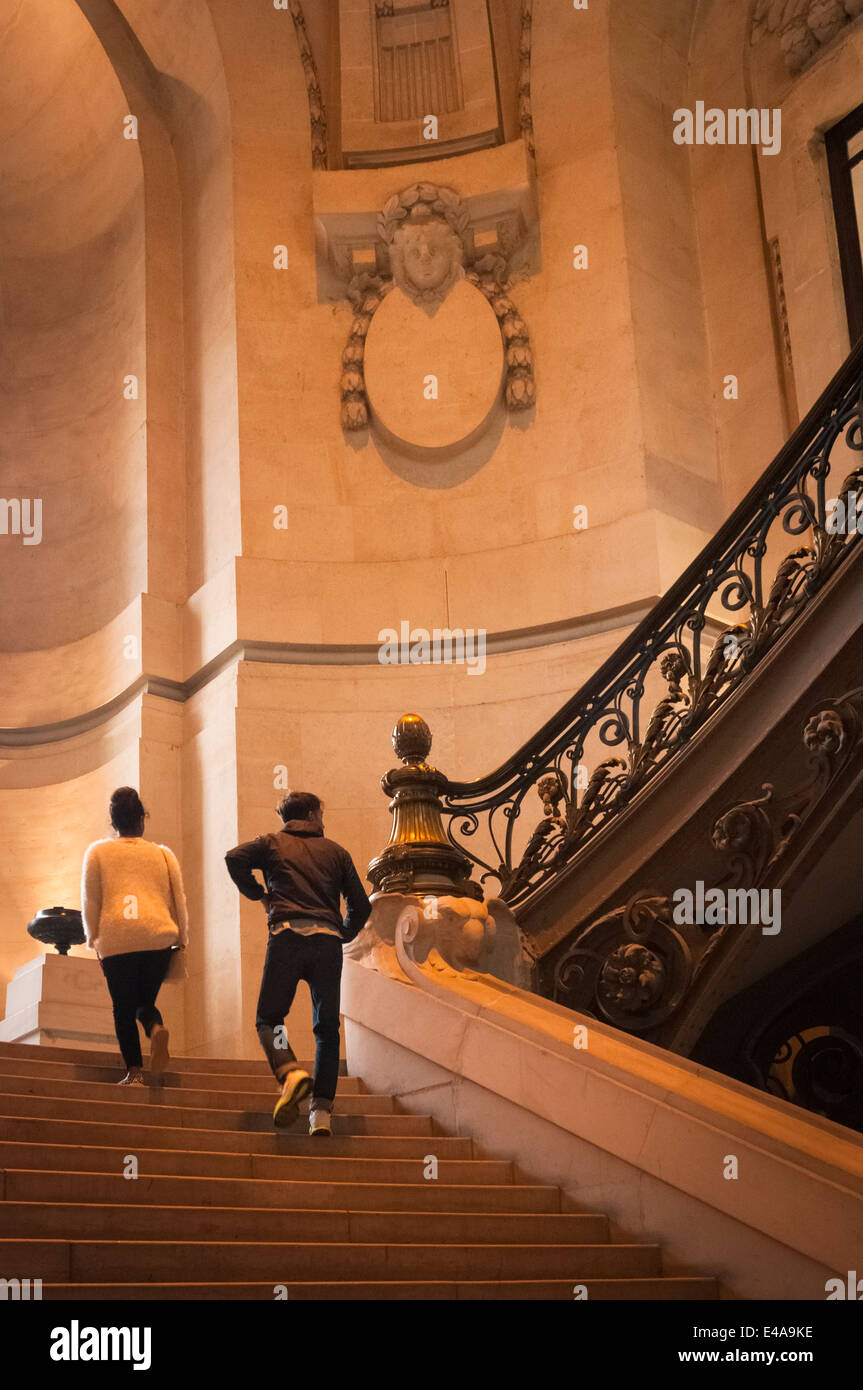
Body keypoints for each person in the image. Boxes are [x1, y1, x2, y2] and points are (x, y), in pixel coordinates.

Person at [225, 791, 371, 1135]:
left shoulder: (271, 843)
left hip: (287, 938)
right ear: (310, 814)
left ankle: (290, 1073)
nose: (324, 819)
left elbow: (234, 858)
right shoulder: (336, 852)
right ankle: (321, 1113)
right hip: (326, 945)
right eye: (321, 813)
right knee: (326, 1029)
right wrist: (342, 933)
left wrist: (259, 895)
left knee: (270, 1019)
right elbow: (361, 906)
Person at [81, 787, 188, 1085]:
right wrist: (182, 940)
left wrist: (95, 942)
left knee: (123, 1008)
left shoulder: (98, 852)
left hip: (118, 938)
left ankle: (135, 1072)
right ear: (142, 819)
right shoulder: (163, 855)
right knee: (143, 1000)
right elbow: (178, 900)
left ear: (113, 821)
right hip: (158, 937)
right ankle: (155, 1028)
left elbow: (91, 902)